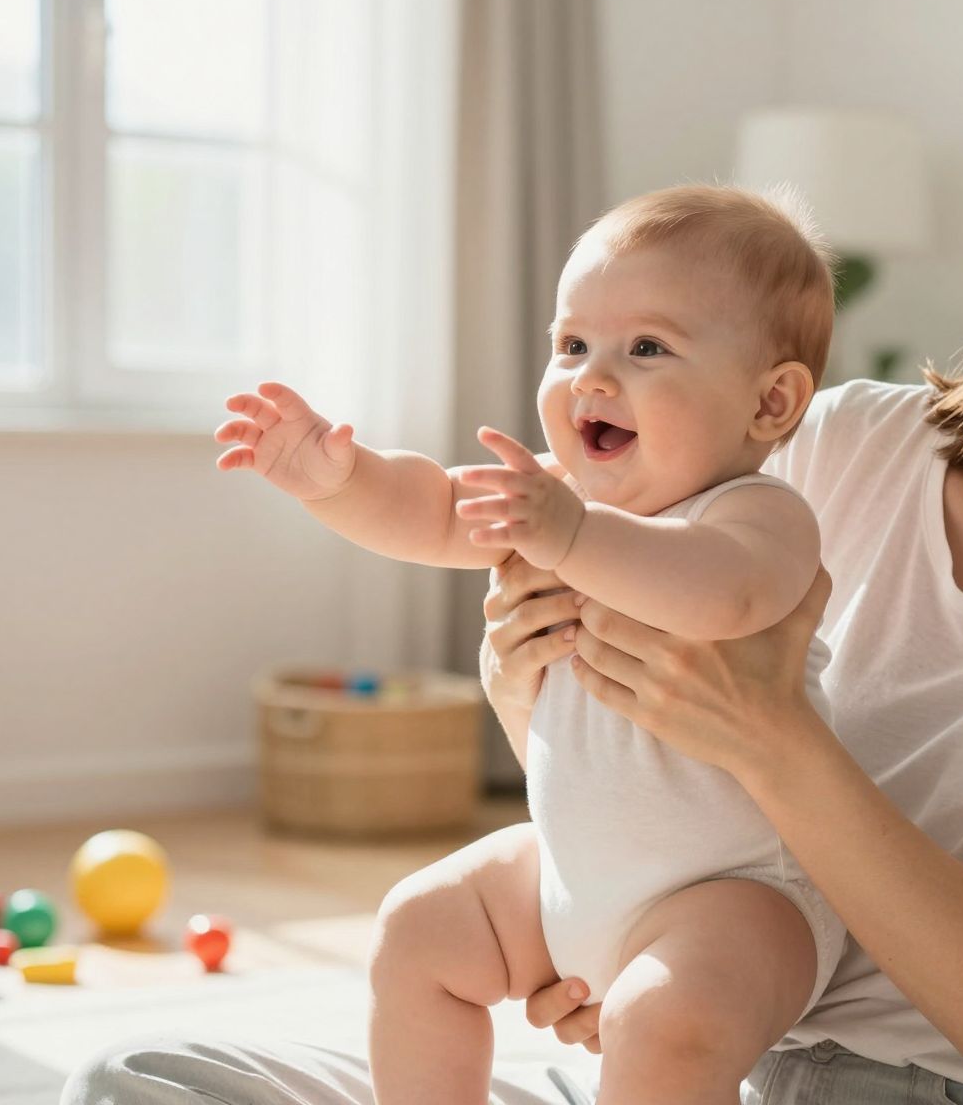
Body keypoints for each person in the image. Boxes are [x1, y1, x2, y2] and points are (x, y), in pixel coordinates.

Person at [65, 30, 963, 1105]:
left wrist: (771, 749)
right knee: (144, 1081)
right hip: (718, 1044)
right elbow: (636, 733)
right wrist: (584, 841)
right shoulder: (848, 443)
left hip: (948, 1095)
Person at [208, 185, 847, 1104]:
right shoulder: (551, 497)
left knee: (666, 1027)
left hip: (743, 896)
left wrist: (573, 537)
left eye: (648, 348)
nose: (592, 377)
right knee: (417, 928)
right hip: (570, 870)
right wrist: (338, 481)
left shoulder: (756, 515)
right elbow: (429, 510)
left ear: (770, 401)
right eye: (572, 344)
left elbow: (723, 592)